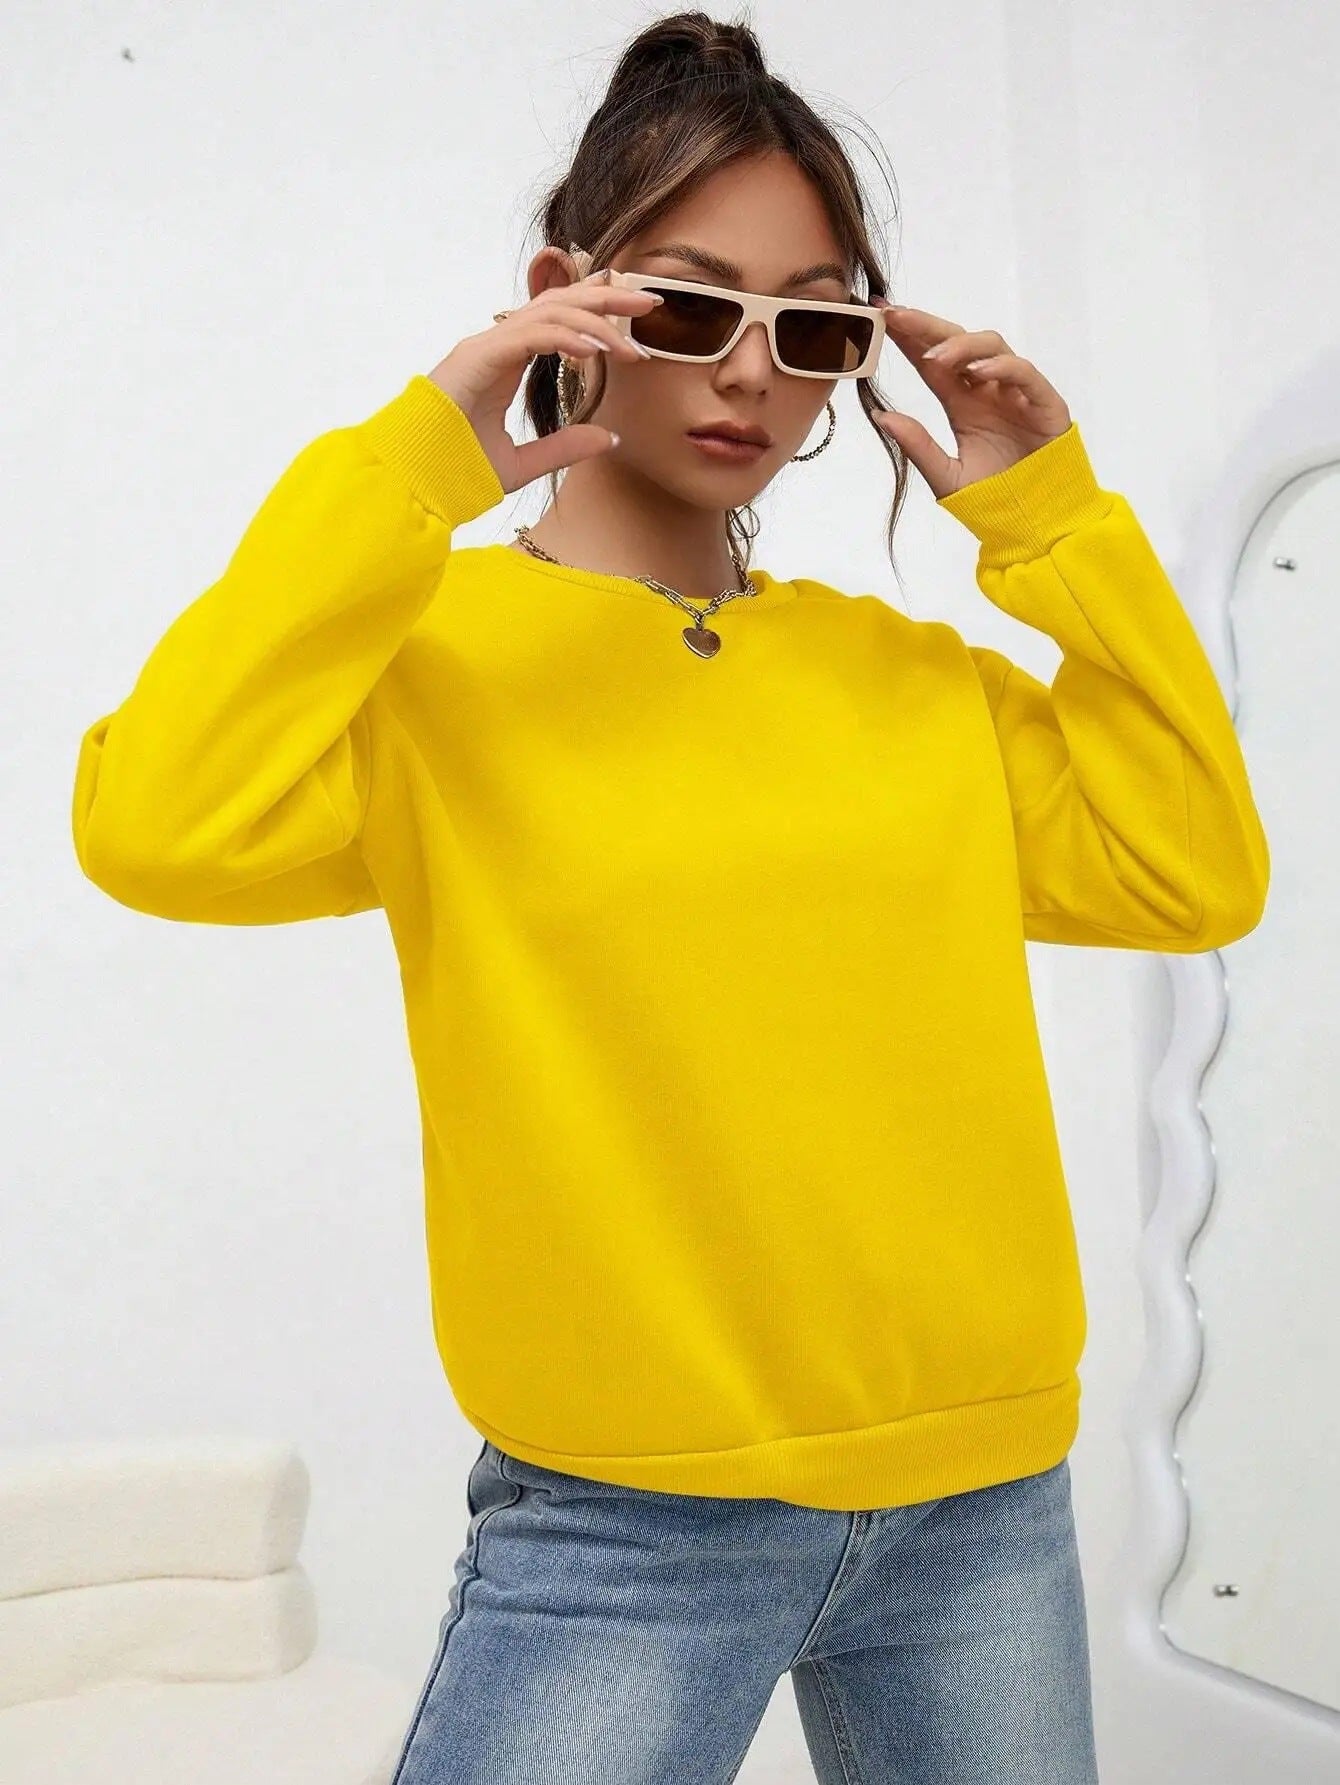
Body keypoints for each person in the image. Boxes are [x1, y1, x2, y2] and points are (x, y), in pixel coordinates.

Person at [70, 10, 1270, 1782]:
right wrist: (413, 465)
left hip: (981, 1502)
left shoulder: (910, 681)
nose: (749, 375)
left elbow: (1195, 868)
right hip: (626, 1528)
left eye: (815, 326)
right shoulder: (431, 669)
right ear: (564, 301)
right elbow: (155, 824)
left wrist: (1055, 522)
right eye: (691, 308)